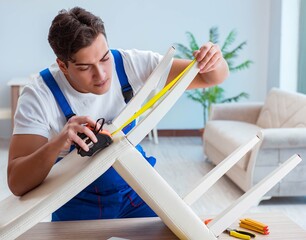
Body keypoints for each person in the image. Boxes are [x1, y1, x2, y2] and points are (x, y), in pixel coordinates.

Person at [7, 7, 229, 221]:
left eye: (104, 58)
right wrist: (58, 143)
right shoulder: (38, 94)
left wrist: (214, 60)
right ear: (63, 66)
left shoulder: (129, 63)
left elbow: (212, 78)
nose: (101, 74)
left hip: (136, 190)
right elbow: (17, 182)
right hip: (76, 202)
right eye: (85, 67)